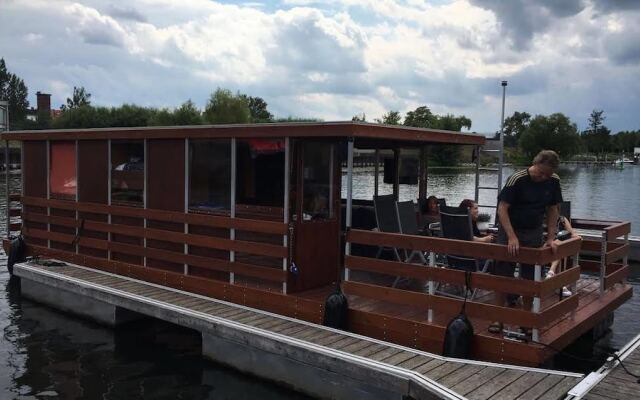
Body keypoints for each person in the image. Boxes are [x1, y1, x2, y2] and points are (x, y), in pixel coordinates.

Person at [488, 150, 563, 335]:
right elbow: (502, 209)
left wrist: (551, 237)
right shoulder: (517, 179)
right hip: (510, 230)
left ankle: (526, 319)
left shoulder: (554, 181)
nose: (543, 177)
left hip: (533, 231)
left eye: (547, 174)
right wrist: (512, 237)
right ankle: (498, 317)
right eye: (540, 172)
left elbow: (553, 209)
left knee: (530, 276)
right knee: (503, 274)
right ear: (535, 164)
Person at [546, 215, 579, 297]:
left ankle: (551, 274)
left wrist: (578, 237)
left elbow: (572, 233)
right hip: (544, 244)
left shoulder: (562, 219)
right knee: (559, 248)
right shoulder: (540, 217)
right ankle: (557, 281)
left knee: (560, 246)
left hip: (557, 244)